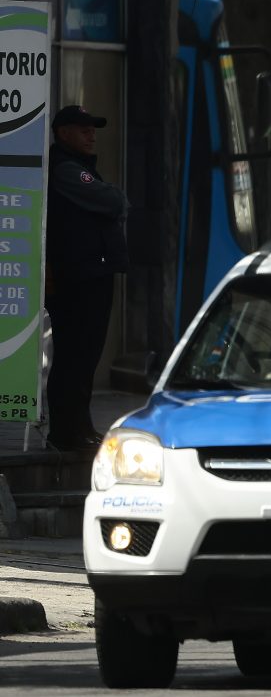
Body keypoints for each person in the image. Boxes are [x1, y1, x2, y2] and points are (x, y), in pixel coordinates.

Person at [43, 105, 128, 451]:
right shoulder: (65, 169)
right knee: (73, 356)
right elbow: (110, 200)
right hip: (77, 278)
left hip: (92, 273)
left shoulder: (79, 167)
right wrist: (117, 198)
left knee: (86, 356)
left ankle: (81, 426)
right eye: (84, 130)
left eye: (93, 130)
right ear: (64, 134)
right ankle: (66, 433)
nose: (92, 135)